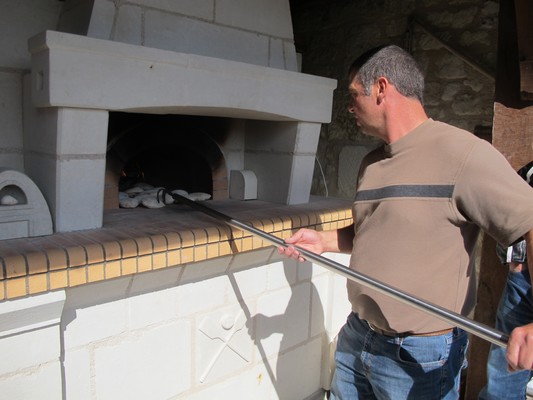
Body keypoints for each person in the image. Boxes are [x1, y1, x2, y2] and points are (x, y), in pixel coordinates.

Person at [279, 44, 533, 399]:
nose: (349, 107)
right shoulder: (371, 163)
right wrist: (321, 241)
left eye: (354, 95)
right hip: (358, 336)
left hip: (420, 357)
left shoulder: (463, 155)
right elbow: (370, 233)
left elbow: (529, 221)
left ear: (382, 88)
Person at [479, 161, 533, 400]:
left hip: (523, 282)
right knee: (504, 377)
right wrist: (516, 262)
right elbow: (511, 209)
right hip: (524, 284)